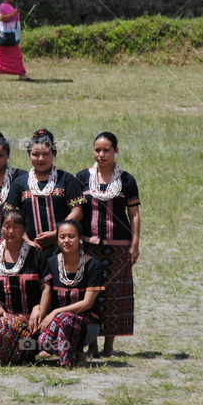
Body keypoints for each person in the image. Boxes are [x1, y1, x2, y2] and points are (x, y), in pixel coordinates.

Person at [77, 132, 141, 357]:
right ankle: (91, 344)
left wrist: (134, 244)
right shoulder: (83, 177)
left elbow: (134, 215)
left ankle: (109, 346)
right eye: (97, 150)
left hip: (119, 246)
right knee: (90, 293)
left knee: (114, 293)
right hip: (88, 245)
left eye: (106, 150)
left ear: (116, 151)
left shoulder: (126, 180)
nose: (101, 154)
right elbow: (77, 211)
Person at [0, 210, 51, 365]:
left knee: (7, 327)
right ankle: (15, 355)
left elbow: (46, 288)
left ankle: (12, 355)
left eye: (16, 226)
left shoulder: (36, 255)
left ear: (24, 229)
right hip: (0, 319)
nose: (11, 231)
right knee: (2, 324)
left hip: (29, 321)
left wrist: (40, 310)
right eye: (6, 226)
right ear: (0, 229)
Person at [37, 220, 106, 367]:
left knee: (66, 319)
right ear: (57, 240)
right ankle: (69, 353)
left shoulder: (94, 266)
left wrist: (56, 312)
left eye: (71, 236)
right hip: (55, 325)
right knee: (43, 340)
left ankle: (75, 355)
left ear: (80, 238)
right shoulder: (50, 263)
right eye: (62, 237)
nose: (66, 241)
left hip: (87, 325)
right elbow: (44, 293)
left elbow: (87, 303)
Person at [5, 128, 85, 255]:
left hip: (63, 247)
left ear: (53, 154)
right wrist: (25, 239)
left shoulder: (66, 179)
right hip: (27, 248)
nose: (40, 158)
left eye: (46, 154)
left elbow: (78, 211)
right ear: (29, 154)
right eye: (35, 154)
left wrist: (57, 233)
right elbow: (10, 214)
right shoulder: (19, 182)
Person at [0, 0, 29, 80]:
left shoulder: (8, 6)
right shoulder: (3, 6)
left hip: (9, 34)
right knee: (16, 55)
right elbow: (2, 18)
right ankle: (22, 74)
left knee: (0, 54)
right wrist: (14, 13)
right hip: (7, 35)